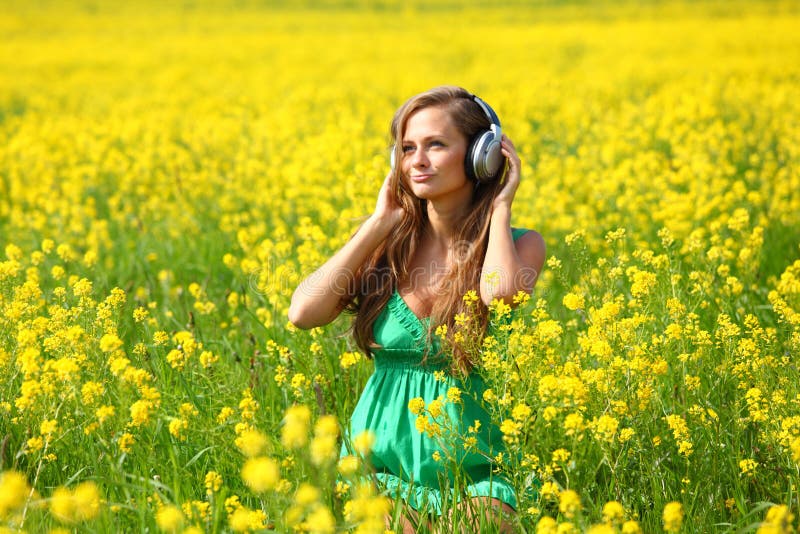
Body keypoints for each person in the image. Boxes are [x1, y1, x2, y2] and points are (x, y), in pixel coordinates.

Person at [288, 85, 546, 532]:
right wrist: (378, 223)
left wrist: (500, 207)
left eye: (436, 145)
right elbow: (303, 313)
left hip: (478, 474)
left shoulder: (521, 245)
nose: (418, 161)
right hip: (381, 473)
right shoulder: (386, 247)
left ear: (480, 156)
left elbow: (499, 295)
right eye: (407, 149)